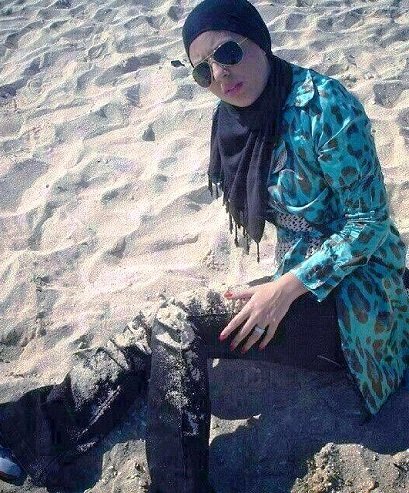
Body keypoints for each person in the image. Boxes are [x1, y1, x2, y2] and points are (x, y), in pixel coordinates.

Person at [0, 0, 408, 491]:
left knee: (180, 320)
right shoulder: (235, 117)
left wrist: (282, 290)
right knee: (156, 324)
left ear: (258, 39)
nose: (219, 74)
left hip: (357, 306)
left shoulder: (326, 108)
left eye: (228, 52)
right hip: (298, 284)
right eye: (202, 70)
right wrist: (283, 287)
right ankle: (25, 432)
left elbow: (369, 224)